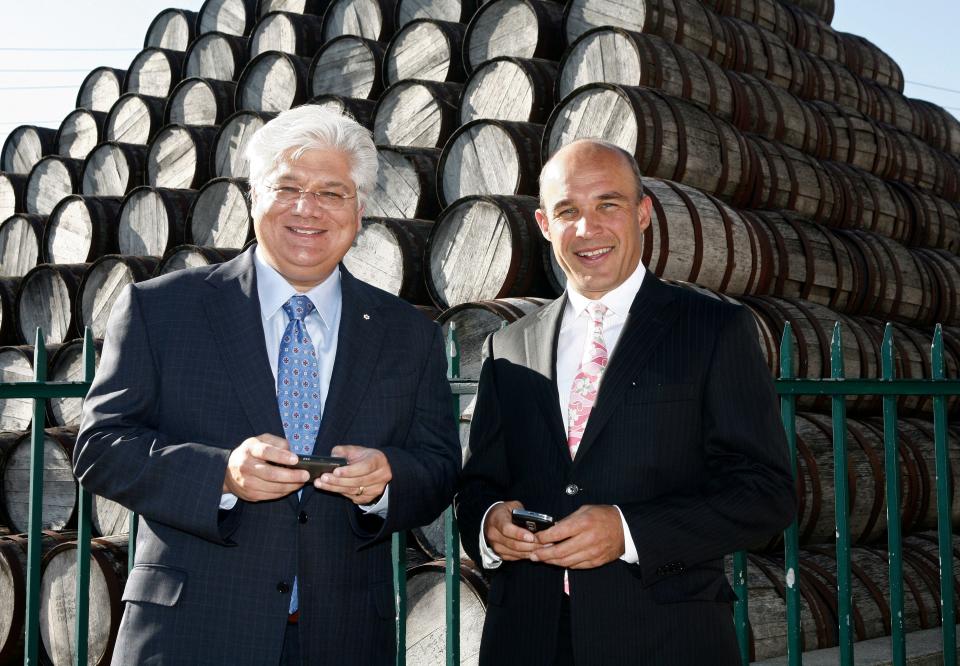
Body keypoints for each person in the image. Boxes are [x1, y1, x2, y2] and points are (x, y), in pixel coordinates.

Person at [73, 105, 461, 665]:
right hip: (191, 635)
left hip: (344, 639)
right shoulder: (162, 308)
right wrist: (222, 475)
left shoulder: (409, 334)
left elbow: (439, 467)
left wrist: (386, 483)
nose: (308, 209)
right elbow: (100, 448)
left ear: (361, 210)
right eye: (288, 187)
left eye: (333, 192)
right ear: (254, 197)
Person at [455, 139, 797, 665]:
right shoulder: (508, 344)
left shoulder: (713, 329)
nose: (587, 228)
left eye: (607, 205)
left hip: (664, 638)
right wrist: (489, 522)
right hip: (527, 639)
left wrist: (628, 531)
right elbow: (479, 482)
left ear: (643, 213)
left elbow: (765, 494)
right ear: (546, 226)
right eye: (568, 211)